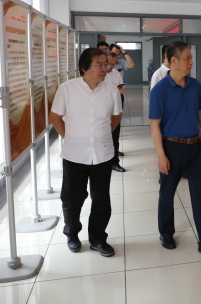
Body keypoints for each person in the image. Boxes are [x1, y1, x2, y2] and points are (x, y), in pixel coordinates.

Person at [149, 41, 201, 253]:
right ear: (174, 60)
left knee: (200, 193)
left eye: (191, 58)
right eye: (187, 58)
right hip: (171, 147)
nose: (191, 62)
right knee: (167, 193)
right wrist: (161, 155)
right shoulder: (160, 90)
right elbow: (154, 124)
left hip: (194, 147)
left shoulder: (195, 85)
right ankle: (166, 233)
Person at [50, 48, 122, 257]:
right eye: (99, 65)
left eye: (106, 65)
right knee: (72, 198)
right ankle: (72, 234)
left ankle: (98, 239)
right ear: (84, 67)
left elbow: (116, 117)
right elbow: (55, 117)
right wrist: (71, 138)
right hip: (75, 155)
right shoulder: (67, 89)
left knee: (101, 200)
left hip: (103, 154)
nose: (105, 69)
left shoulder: (111, 91)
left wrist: (102, 134)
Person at [105, 51, 127, 172]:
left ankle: (115, 162)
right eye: (109, 64)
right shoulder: (98, 74)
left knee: (115, 135)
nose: (112, 67)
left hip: (115, 108)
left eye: (114, 64)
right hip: (103, 110)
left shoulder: (115, 73)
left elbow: (122, 90)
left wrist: (115, 90)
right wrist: (114, 90)